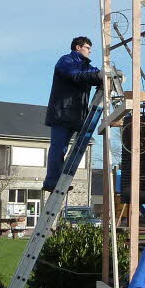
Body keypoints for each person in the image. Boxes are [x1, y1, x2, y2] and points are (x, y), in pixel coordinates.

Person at [42, 36, 103, 194]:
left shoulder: (84, 66)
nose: (90, 51)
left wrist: (104, 75)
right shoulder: (66, 61)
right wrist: (98, 76)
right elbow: (75, 75)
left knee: (62, 148)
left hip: (75, 115)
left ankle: (58, 179)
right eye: (87, 48)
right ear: (78, 47)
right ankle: (52, 181)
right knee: (58, 148)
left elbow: (92, 74)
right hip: (62, 113)